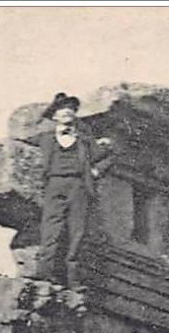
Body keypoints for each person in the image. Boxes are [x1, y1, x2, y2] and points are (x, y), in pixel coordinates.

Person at [33, 92, 114, 286]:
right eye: (62, 109)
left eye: (71, 108)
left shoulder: (85, 140)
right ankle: (45, 273)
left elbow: (110, 154)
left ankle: (73, 279)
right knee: (50, 229)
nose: (67, 112)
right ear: (54, 116)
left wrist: (96, 171)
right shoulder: (45, 139)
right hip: (54, 184)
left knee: (77, 232)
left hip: (79, 186)